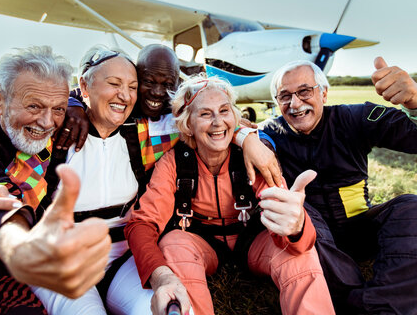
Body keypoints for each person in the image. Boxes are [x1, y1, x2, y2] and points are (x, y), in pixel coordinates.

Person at [260, 58, 417, 314]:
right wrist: (244, 138)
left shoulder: (353, 117)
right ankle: (350, 299)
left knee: (415, 207)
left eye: (304, 91)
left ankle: (386, 308)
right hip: (311, 238)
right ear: (277, 103)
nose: (295, 103)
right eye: (284, 96)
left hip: (359, 228)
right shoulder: (269, 132)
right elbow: (231, 135)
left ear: (323, 93)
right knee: (300, 211)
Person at [125, 76, 335, 315]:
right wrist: (159, 275)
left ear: (234, 117)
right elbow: (142, 223)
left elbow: (286, 219)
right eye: (205, 114)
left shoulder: (254, 155)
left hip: (254, 240)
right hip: (201, 243)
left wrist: (296, 227)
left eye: (224, 110)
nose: (217, 122)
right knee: (173, 244)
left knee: (299, 257)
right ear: (187, 125)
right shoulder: (174, 162)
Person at [0, 46, 111, 314]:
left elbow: (99, 95)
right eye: (34, 106)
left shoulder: (57, 128)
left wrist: (73, 106)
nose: (47, 122)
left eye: (57, 109)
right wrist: (20, 248)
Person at [31, 45, 154, 315]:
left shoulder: (141, 134)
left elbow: (202, 119)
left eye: (133, 87)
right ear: (84, 86)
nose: (124, 95)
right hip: (62, 259)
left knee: (161, 309)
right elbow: (17, 195)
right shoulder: (52, 137)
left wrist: (247, 137)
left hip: (123, 258)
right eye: (114, 83)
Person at [56, 44, 283, 187]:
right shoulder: (118, 107)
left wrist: (251, 140)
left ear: (177, 83)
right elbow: (87, 92)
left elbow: (222, 121)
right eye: (147, 82)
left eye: (167, 84)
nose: (157, 92)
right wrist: (72, 104)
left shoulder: (176, 117)